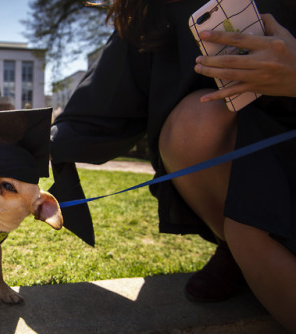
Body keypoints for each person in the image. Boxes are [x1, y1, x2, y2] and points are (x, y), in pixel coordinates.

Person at [49, 0, 296, 331]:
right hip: (247, 170)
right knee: (200, 127)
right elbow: (105, 98)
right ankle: (240, 252)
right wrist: (18, 146)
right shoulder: (156, 7)